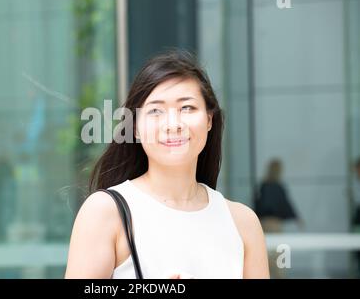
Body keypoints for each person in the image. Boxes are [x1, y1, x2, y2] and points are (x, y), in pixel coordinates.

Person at [65, 50, 269, 279]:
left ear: (209, 119)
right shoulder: (105, 212)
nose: (173, 124)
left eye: (187, 108)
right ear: (135, 127)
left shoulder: (243, 223)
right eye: (155, 111)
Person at [254, 158, 302, 278]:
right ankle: (280, 275)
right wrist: (297, 218)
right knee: (279, 252)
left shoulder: (263, 186)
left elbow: (257, 204)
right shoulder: (278, 187)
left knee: (266, 251)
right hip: (275, 223)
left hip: (262, 223)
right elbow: (285, 204)